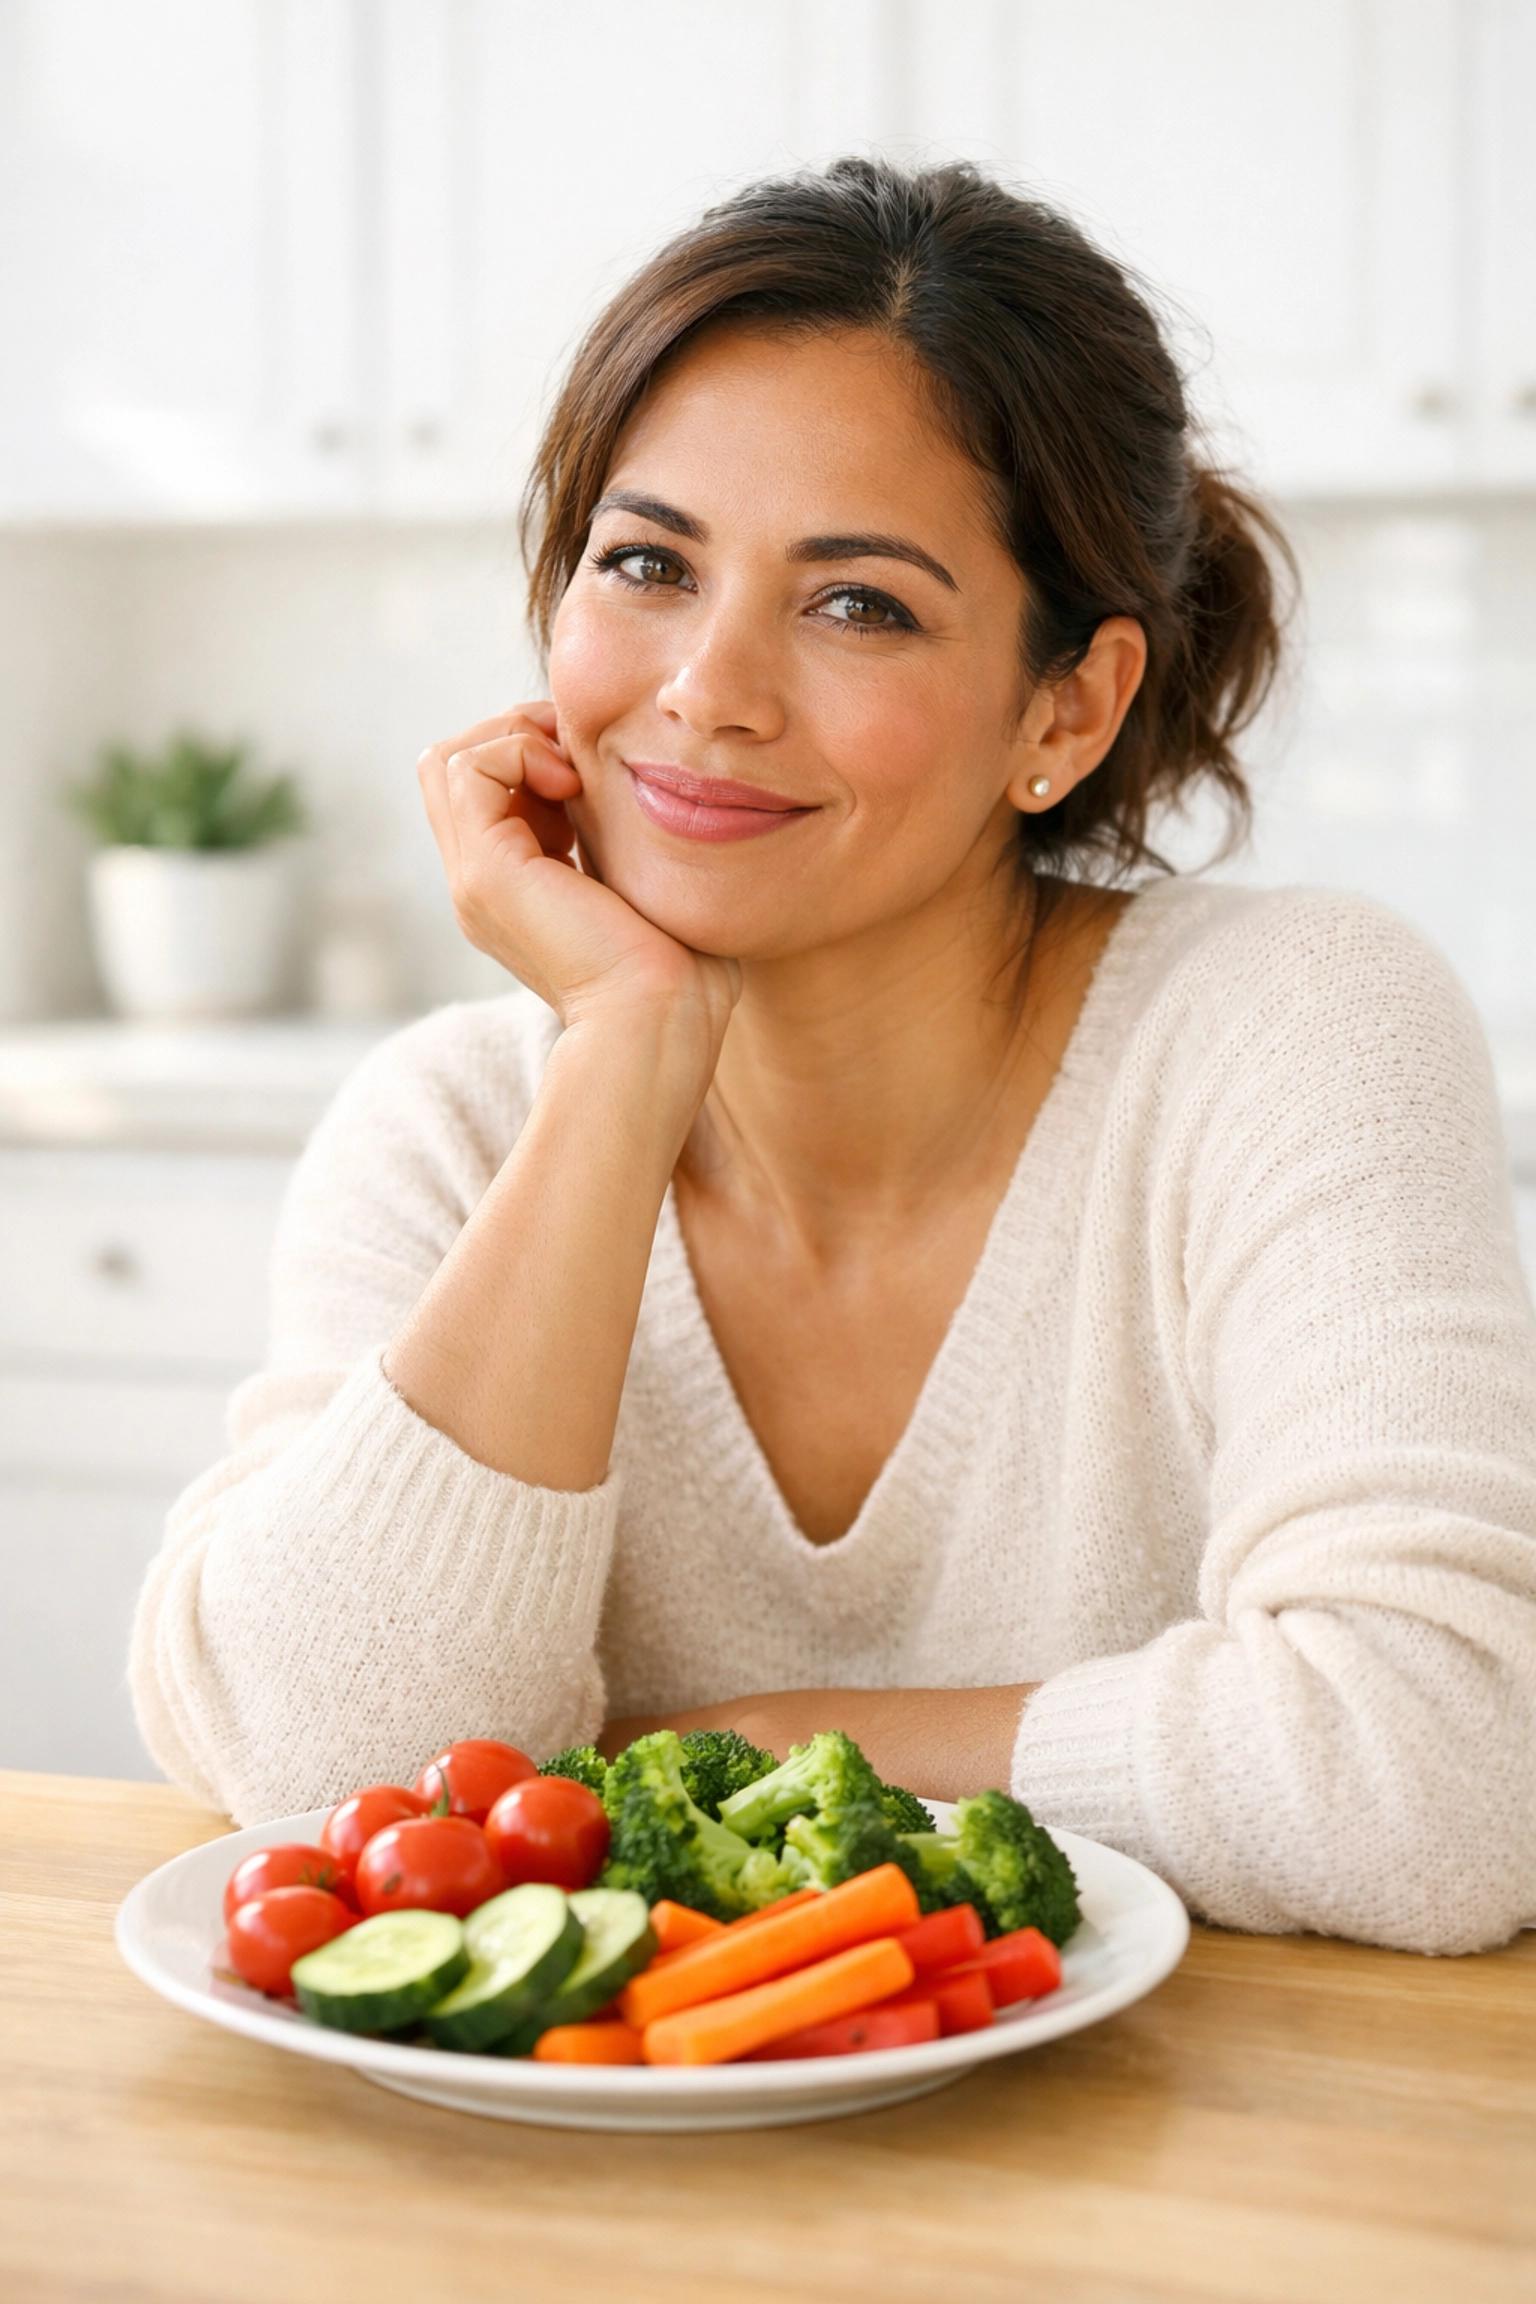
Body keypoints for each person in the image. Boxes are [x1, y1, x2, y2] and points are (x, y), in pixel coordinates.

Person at [131, 160, 1536, 1953]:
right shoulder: (451, 1125)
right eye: (646, 562)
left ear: (1066, 708)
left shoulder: (1287, 1028)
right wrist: (622, 1062)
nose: (708, 688)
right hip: (566, 2203)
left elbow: (1447, 1776)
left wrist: (768, 1750)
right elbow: (327, 1778)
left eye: (857, 603)